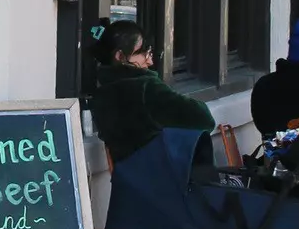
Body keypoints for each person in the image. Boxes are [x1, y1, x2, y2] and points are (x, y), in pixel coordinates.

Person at [90, 21, 214, 164]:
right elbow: (203, 118)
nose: (150, 61)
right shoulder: (146, 88)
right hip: (163, 177)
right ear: (120, 56)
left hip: (125, 181)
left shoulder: (101, 95)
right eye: (144, 53)